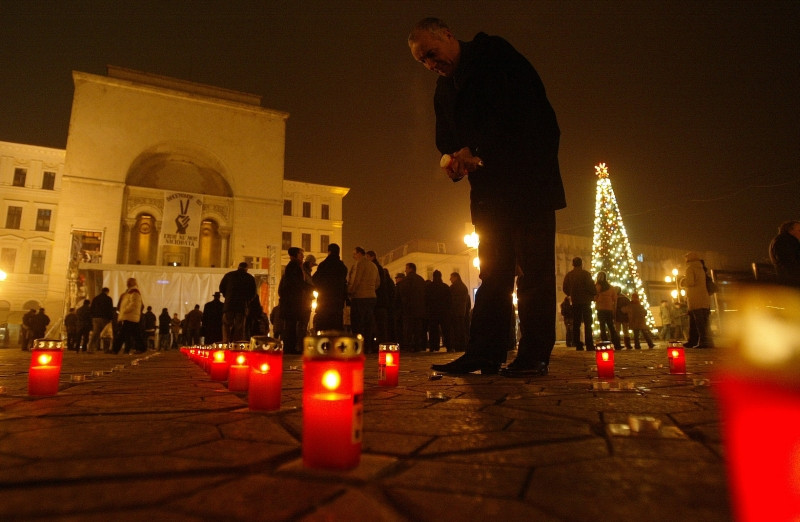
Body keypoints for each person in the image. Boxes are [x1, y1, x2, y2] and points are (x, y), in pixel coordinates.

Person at [409, 18, 565, 377]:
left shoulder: (494, 55)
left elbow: (520, 110)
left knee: (534, 270)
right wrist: (452, 159)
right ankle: (484, 352)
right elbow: (446, 139)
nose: (431, 64)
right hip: (489, 192)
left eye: (431, 53)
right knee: (493, 272)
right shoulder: (443, 89)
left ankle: (534, 354)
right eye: (422, 61)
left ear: (448, 35)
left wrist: (475, 148)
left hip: (528, 181)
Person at [347, 246, 380, 353]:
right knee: (368, 324)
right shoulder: (373, 265)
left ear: (359, 253)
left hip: (359, 297)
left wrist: (350, 292)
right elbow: (378, 282)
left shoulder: (359, 264)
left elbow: (356, 280)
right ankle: (368, 346)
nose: (353, 256)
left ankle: (358, 347)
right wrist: (371, 289)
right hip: (371, 297)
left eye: (354, 254)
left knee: (357, 324)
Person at [278, 247, 311, 353]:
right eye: (301, 254)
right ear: (295, 255)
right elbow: (297, 282)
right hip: (292, 302)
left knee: (291, 325)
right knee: (290, 326)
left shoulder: (294, 266)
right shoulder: (293, 266)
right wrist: (310, 288)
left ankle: (290, 348)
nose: (303, 256)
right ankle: (290, 348)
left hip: (292, 301)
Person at [312, 243, 349, 331]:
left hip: (324, 299)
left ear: (329, 252)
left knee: (324, 325)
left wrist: (319, 289)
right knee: (336, 325)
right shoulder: (342, 267)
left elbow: (315, 280)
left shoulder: (323, 265)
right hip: (338, 301)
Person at [562, 257, 596, 351]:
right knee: (588, 323)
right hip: (586, 301)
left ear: (573, 264)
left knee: (576, 323)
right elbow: (591, 287)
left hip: (575, 301)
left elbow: (565, 288)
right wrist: (593, 294)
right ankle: (589, 344)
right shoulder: (586, 274)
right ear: (581, 264)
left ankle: (578, 344)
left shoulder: (569, 275)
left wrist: (571, 294)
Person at [219, 261, 257, 342]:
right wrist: (247, 301)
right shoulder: (250, 278)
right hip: (241, 306)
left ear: (238, 267)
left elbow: (221, 288)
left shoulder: (229, 275)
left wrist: (227, 296)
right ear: (247, 269)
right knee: (239, 327)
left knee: (226, 325)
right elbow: (253, 293)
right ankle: (236, 343)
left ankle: (226, 342)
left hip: (229, 305)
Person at [682, 252, 714, 348]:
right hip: (704, 298)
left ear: (689, 259)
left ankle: (703, 342)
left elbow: (690, 282)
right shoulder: (701, 268)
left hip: (695, 299)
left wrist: (682, 281)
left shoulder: (690, 268)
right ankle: (695, 341)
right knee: (702, 322)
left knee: (699, 323)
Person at [396, 263, 427, 352]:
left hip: (408, 309)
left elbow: (401, 295)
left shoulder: (405, 281)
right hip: (419, 309)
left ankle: (408, 346)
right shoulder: (421, 280)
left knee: (408, 329)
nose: (405, 270)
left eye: (406, 268)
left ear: (410, 269)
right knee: (418, 329)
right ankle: (417, 346)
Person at [367, 250, 393, 344]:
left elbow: (376, 284)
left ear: (372, 257)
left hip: (378, 300)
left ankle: (379, 344)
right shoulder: (379, 268)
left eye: (367, 257)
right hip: (381, 301)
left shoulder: (374, 268)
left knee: (378, 325)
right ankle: (381, 343)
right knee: (380, 325)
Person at [112, 278, 144, 354]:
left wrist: (124, 311)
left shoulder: (134, 292)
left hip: (129, 315)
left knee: (122, 334)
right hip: (131, 316)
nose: (127, 283)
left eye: (128, 282)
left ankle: (115, 349)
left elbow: (133, 304)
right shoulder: (130, 292)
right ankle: (142, 348)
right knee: (135, 334)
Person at [595, 272, 622, 350]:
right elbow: (615, 298)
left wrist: (598, 299)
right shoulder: (610, 287)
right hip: (609, 309)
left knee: (602, 327)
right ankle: (617, 344)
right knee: (611, 327)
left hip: (601, 309)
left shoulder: (597, 286)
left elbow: (594, 297)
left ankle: (605, 343)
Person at [425, 270, 451, 352]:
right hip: (444, 312)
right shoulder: (445, 287)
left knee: (433, 330)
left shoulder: (429, 287)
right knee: (446, 329)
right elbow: (449, 301)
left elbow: (426, 300)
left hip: (433, 311)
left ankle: (434, 346)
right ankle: (449, 346)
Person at [769, 220, 800, 287]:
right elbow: (789, 263)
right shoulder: (785, 241)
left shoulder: (782, 240)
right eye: (799, 230)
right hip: (792, 280)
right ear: (790, 231)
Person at [448, 272, 471, 352]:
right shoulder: (464, 287)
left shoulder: (453, 287)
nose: (450, 279)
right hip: (462, 312)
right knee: (462, 329)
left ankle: (457, 346)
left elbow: (450, 300)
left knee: (456, 330)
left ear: (456, 277)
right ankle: (463, 346)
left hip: (454, 312)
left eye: (451, 277)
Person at [89, 287, 115, 353]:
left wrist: (93, 317)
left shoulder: (95, 298)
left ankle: (91, 348)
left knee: (95, 333)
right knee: (106, 334)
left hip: (96, 318)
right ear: (107, 292)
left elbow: (91, 308)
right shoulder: (108, 299)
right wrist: (111, 318)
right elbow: (110, 309)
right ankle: (106, 349)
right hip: (105, 318)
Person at [300, 254, 317, 339]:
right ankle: (300, 342)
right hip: (304, 301)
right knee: (302, 323)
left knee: (304, 323)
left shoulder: (306, 271)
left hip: (306, 300)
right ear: (309, 263)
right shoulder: (303, 271)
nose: (312, 267)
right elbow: (306, 285)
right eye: (312, 264)